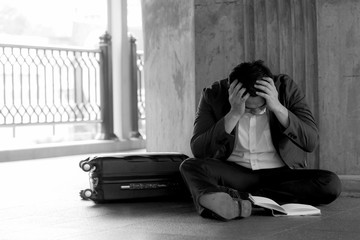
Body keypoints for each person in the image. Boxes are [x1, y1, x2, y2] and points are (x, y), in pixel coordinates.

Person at [180, 60, 342, 221]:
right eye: (250, 108)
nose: (257, 111)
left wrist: (277, 107)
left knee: (330, 183)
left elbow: (311, 142)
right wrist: (235, 113)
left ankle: (240, 197)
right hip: (235, 172)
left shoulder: (286, 88)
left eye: (262, 106)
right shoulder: (213, 94)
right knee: (189, 166)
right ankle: (229, 201)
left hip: (280, 175)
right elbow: (199, 150)